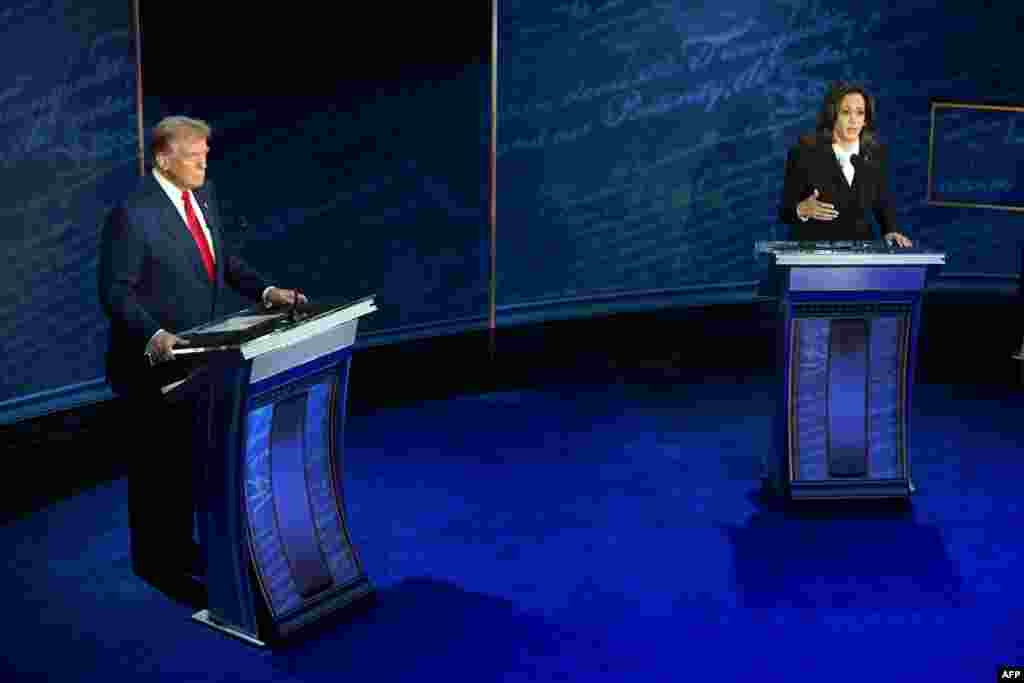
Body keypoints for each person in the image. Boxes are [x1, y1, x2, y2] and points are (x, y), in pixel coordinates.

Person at [98, 116, 305, 600]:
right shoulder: (132, 214)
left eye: (206, 153)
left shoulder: (204, 197)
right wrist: (153, 334)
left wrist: (267, 290)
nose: (204, 162)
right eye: (195, 156)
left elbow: (221, 260)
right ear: (163, 159)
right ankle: (156, 564)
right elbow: (115, 291)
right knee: (157, 470)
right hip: (152, 367)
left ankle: (181, 548)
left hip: (202, 361)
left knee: (188, 462)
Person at [779, 82, 913, 246]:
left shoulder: (875, 155)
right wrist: (802, 209)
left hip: (861, 256)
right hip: (814, 254)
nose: (853, 120)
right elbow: (785, 212)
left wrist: (891, 230)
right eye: (845, 112)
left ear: (865, 120)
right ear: (832, 115)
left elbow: (882, 202)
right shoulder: (804, 153)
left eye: (860, 113)